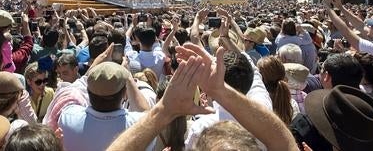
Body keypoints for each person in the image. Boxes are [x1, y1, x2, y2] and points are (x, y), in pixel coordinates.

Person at [106, 44, 298, 151]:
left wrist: (164, 111)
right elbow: (283, 141)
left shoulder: (200, 126)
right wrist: (220, 89)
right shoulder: (261, 105)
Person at [58, 61, 152, 151]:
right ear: (124, 93)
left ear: (88, 91)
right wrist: (128, 77)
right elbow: (149, 117)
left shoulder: (68, 117)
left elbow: (73, 89)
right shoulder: (137, 124)